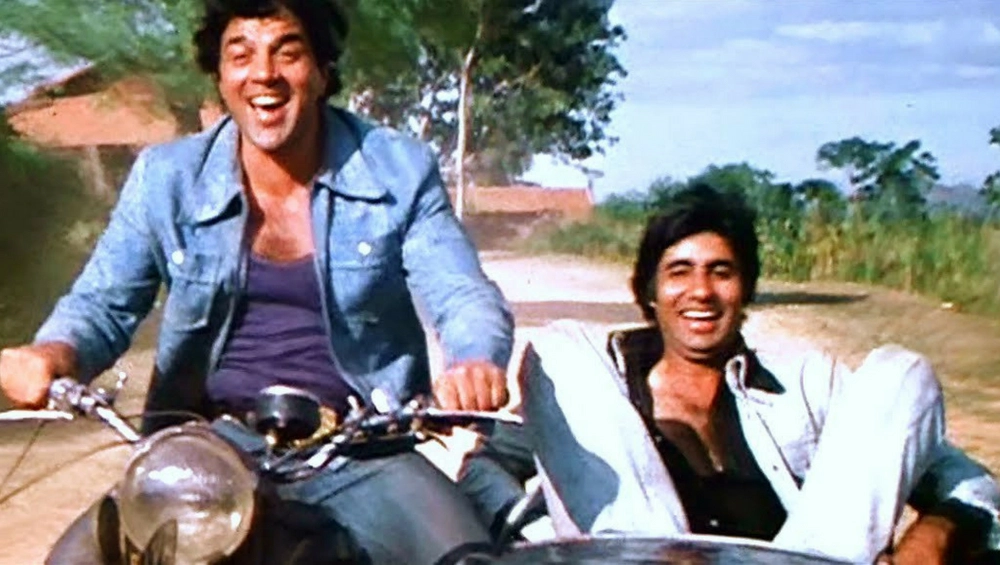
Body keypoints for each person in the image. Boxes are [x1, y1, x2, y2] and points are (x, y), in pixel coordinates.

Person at [0, 1, 514, 563]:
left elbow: (462, 292)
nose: (263, 74)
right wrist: (51, 354)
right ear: (221, 79)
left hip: (363, 446)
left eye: (287, 53)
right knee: (79, 557)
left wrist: (474, 360)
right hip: (210, 443)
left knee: (466, 556)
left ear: (321, 72)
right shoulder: (166, 177)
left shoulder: (398, 169)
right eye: (240, 55)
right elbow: (102, 303)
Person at [470, 184, 999, 563]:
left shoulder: (806, 388)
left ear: (745, 291)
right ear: (650, 292)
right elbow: (486, 465)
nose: (701, 292)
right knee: (556, 345)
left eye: (721, 272)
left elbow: (974, 485)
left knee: (902, 370)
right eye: (679, 272)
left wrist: (936, 533)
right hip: (632, 554)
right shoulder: (596, 397)